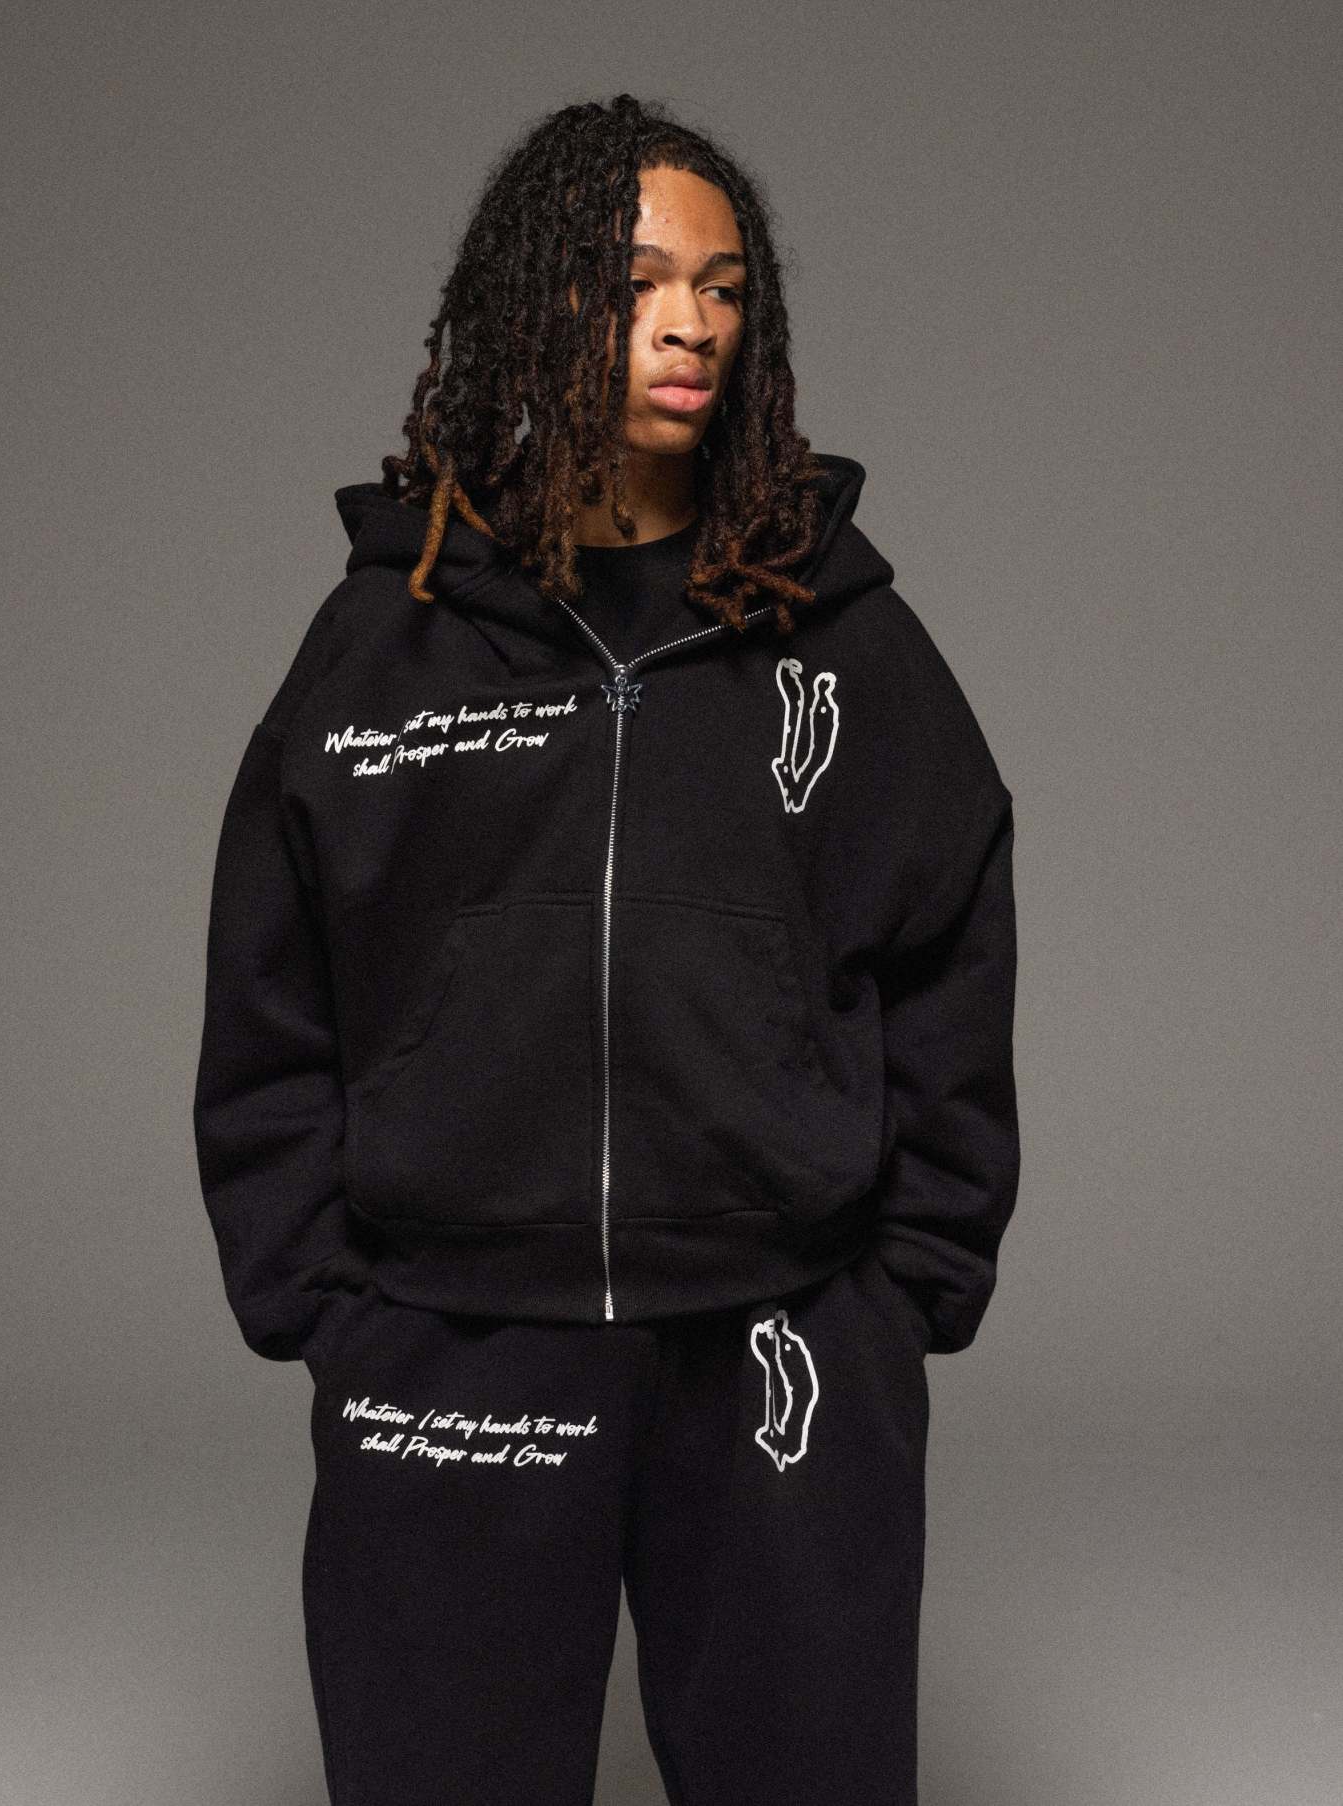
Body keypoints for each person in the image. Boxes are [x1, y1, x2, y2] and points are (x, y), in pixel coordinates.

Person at [191, 92, 1019, 1806]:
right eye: (636, 281)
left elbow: (950, 937)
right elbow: (273, 976)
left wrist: (906, 1285)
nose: (690, 323)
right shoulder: (388, 639)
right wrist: (324, 1300)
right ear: (531, 305)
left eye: (722, 288)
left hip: (785, 1339)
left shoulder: (840, 644)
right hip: (453, 1337)